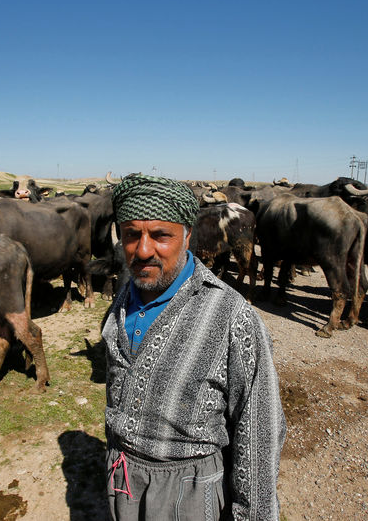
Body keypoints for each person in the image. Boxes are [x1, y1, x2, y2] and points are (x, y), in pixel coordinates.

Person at [103, 174, 286, 520]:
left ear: (187, 236)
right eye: (131, 235)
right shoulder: (125, 297)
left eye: (161, 236)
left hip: (188, 494)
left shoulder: (234, 318)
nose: (143, 250)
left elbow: (261, 432)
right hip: (121, 480)